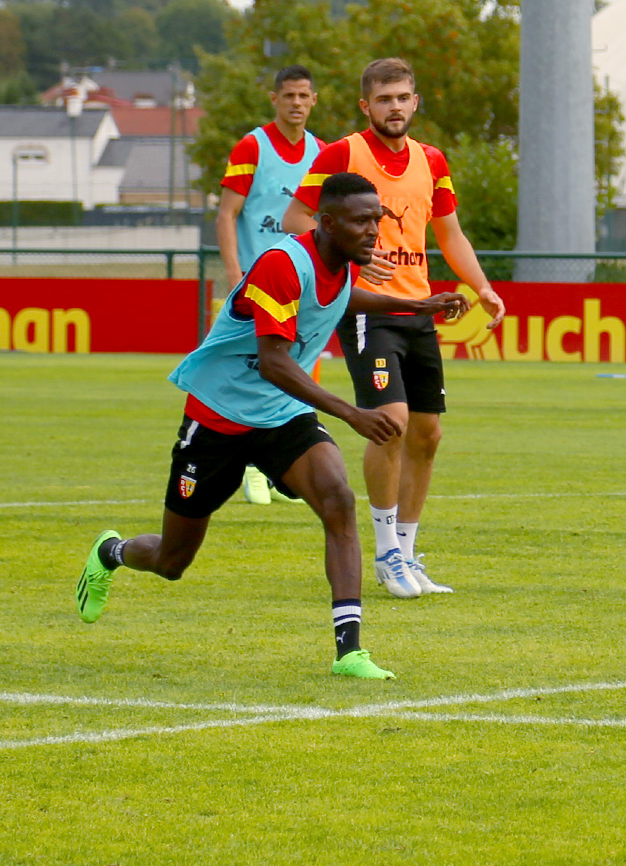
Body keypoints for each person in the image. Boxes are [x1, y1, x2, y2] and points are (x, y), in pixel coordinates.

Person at [74, 173, 470, 678]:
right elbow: (273, 362)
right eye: (362, 220)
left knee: (338, 498)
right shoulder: (283, 264)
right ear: (326, 223)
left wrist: (415, 305)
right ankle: (112, 553)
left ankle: (350, 652)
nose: (374, 230)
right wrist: (351, 412)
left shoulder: (342, 259)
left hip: (282, 414)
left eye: (377, 219)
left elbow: (337, 298)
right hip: (219, 416)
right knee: (172, 561)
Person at [283, 58, 506, 600]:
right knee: (392, 421)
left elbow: (450, 235)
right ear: (366, 106)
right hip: (366, 310)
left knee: (428, 435)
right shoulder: (342, 155)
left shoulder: (433, 160)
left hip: (420, 310)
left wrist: (481, 287)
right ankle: (384, 554)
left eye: (403, 97)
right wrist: (351, 262)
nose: (395, 107)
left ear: (415, 101)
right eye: (384, 99)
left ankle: (406, 552)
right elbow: (295, 222)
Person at [214, 65, 326, 506]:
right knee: (249, 373)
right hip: (255, 286)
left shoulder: (322, 152)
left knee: (300, 374)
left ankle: (279, 467)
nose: (296, 102)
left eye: (304, 95)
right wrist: (233, 271)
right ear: (274, 100)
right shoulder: (252, 147)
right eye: (289, 95)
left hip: (303, 285)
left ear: (314, 100)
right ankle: (250, 466)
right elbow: (227, 214)